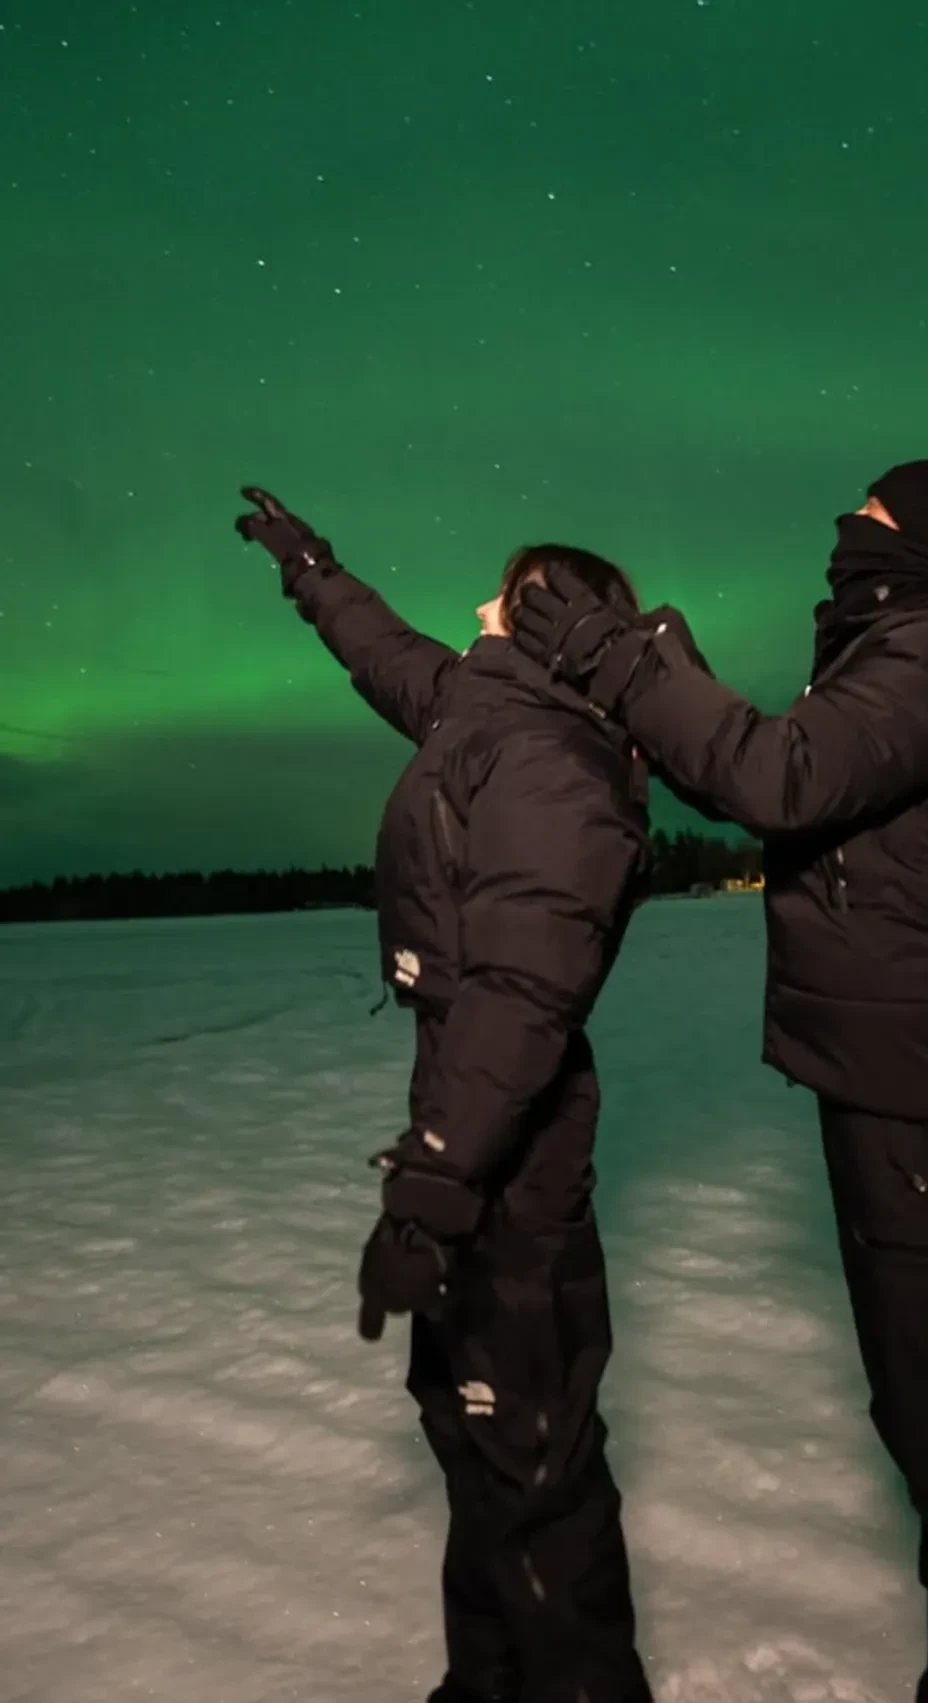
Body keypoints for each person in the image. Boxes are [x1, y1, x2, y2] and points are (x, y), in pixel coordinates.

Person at [507, 460, 928, 1703]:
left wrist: (614, 655)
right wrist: (646, 663)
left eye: (873, 510)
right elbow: (765, 777)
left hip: (927, 1086)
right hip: (892, 1067)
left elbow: (776, 777)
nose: (847, 524)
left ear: (922, 535)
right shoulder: (899, 644)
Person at [235, 488, 654, 1703]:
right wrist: (311, 565)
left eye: (500, 585)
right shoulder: (488, 714)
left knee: (531, 1456)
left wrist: (432, 1187)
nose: (472, 601)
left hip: (503, 1117)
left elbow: (520, 994)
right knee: (472, 1430)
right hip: (464, 1088)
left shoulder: (552, 762)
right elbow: (385, 650)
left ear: (540, 612)